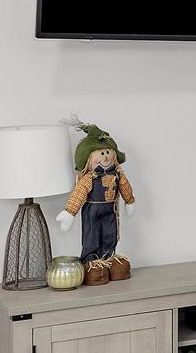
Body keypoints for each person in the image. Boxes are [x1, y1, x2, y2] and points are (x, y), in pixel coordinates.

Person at [56, 122, 136, 284]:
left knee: (110, 233)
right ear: (88, 160)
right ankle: (91, 262)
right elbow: (78, 194)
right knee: (92, 235)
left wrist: (130, 201)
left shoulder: (117, 175)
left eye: (108, 152)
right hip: (92, 209)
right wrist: (70, 212)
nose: (106, 157)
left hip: (111, 210)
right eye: (101, 153)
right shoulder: (89, 178)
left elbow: (125, 188)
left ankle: (108, 258)